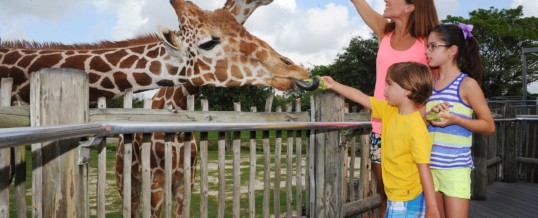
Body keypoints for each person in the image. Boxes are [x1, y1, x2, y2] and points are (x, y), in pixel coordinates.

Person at [349, 0, 439, 215]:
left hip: (409, 132)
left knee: (409, 194)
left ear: (410, 7)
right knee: (386, 195)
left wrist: (417, 121)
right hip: (381, 128)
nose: (386, 0)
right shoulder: (384, 31)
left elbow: (437, 86)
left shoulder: (427, 42)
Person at [321, 62, 439, 218]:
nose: (385, 89)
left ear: (406, 90)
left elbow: (424, 169)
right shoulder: (389, 111)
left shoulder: (416, 129)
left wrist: (432, 207)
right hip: (395, 196)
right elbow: (361, 97)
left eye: (389, 84)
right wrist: (333, 85)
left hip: (406, 199)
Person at [425, 23, 496, 218]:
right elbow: (422, 124)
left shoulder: (467, 85)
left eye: (433, 46)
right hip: (428, 167)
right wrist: (430, 117)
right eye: (427, 46)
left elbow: (489, 126)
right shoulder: (429, 86)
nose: (427, 51)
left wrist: (455, 119)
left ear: (452, 51)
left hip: (455, 168)